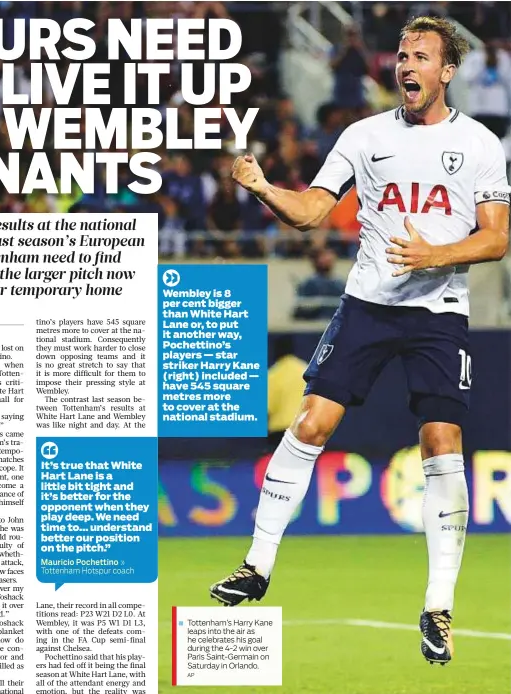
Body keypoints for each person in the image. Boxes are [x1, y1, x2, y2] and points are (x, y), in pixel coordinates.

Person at [209, 16, 511, 667]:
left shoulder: (480, 143)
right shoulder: (363, 135)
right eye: (401, 55)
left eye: (420, 56)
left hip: (438, 312)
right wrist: (263, 189)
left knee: (441, 439)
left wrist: (435, 255)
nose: (405, 66)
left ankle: (436, 606)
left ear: (446, 70)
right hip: (366, 306)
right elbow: (313, 211)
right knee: (310, 422)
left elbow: (495, 238)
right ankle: (255, 566)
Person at [293, 247, 346, 321]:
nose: (327, 260)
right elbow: (302, 308)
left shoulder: (340, 284)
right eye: (323, 257)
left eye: (329, 258)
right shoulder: (308, 284)